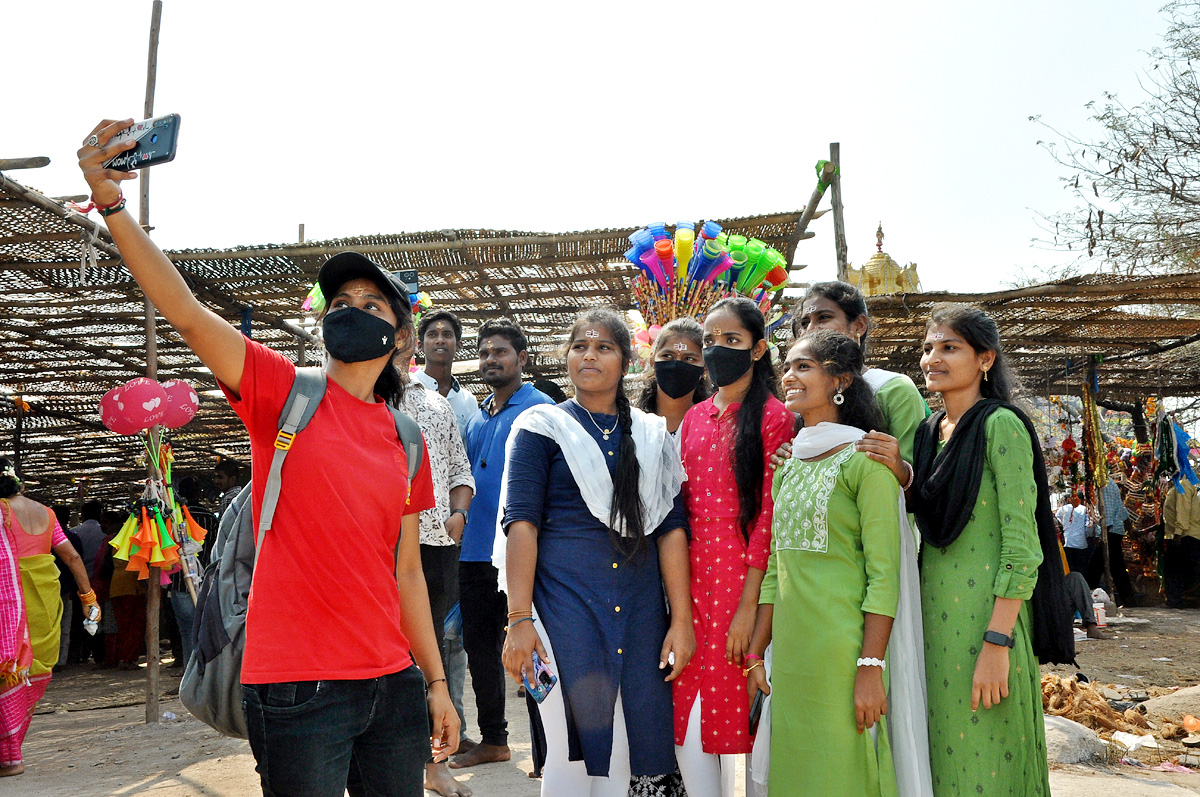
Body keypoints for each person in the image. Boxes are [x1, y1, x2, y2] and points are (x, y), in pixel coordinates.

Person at [77, 119, 457, 796]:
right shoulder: (283, 392)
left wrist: (434, 683)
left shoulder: (406, 438)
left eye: (373, 304)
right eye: (340, 302)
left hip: (392, 686)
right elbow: (189, 314)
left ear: (400, 332)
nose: (353, 310)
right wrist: (111, 202)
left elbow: (406, 574)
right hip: (296, 688)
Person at [501, 308, 694, 796]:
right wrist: (518, 618)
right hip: (564, 609)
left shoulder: (651, 435)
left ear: (626, 362)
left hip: (642, 610)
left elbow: (670, 529)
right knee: (570, 749)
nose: (589, 355)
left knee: (640, 738)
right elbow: (521, 523)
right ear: (565, 356)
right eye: (580, 347)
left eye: (604, 347)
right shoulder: (540, 426)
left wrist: (681, 620)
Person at [746, 330, 930, 796]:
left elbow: (884, 576)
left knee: (846, 774)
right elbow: (774, 569)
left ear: (840, 380)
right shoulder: (787, 464)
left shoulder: (866, 463)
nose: (788, 376)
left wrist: (871, 666)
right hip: (790, 656)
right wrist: (755, 654)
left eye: (803, 366)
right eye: (786, 366)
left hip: (843, 655)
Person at [909, 303, 1051, 795]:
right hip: (932, 625)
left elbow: (1022, 544)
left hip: (987, 624)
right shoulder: (928, 433)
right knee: (943, 760)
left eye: (950, 348)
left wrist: (998, 642)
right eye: (928, 348)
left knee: (989, 758)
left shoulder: (1000, 426)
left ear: (985, 360)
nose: (932, 358)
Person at [673, 297, 793, 797]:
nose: (717, 350)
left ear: (759, 349)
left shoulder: (775, 417)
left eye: (732, 341)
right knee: (689, 719)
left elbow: (767, 520)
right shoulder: (694, 417)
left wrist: (749, 609)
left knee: (745, 715)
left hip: (743, 580)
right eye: (710, 341)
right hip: (689, 578)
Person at [454, 318, 554, 769]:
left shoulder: (542, 409)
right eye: (485, 352)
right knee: (480, 650)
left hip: (522, 550)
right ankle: (495, 740)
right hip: (474, 551)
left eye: (500, 352)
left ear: (522, 359)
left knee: (532, 646)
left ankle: (548, 748)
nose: (490, 359)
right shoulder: (477, 415)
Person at [393, 326, 476, 797]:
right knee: (382, 657)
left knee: (430, 659)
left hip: (433, 548)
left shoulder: (434, 404)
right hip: (375, 549)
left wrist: (458, 514)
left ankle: (433, 767)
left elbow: (460, 470)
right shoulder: (350, 399)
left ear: (408, 340)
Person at [1, 459, 98, 777]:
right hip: (45, 601)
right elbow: (70, 556)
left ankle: (10, 755)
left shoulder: (2, 513)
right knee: (31, 673)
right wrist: (88, 598)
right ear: (20, 483)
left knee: (8, 670)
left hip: (10, 602)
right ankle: (12, 748)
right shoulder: (46, 513)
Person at [790, 280, 928, 478]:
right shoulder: (804, 393)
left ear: (859, 325)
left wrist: (899, 467)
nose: (810, 330)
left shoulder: (893, 389)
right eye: (804, 323)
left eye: (823, 317)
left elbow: (919, 482)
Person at [636, 317, 710, 436]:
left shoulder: (713, 427)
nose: (676, 364)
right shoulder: (633, 424)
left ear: (705, 367)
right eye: (667, 356)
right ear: (652, 360)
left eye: (689, 359)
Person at [415, 310, 479, 438]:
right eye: (432, 335)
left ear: (459, 345)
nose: (440, 340)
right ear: (420, 345)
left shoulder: (468, 401)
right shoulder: (408, 389)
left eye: (447, 335)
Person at [67, 501, 106, 665]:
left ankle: (76, 655)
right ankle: (100, 655)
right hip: (100, 581)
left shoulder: (75, 533)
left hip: (78, 582)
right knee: (99, 619)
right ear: (100, 514)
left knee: (76, 620)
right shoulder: (104, 534)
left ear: (82, 514)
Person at [1085, 477, 1135, 604]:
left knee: (1095, 568)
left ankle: (1086, 598)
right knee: (1116, 567)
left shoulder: (1104, 484)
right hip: (1112, 530)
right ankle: (1128, 599)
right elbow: (1121, 510)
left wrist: (1102, 535)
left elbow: (1107, 512)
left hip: (1109, 531)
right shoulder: (1108, 483)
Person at [1057, 493, 1092, 575]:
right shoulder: (1084, 509)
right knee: (1081, 570)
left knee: (1069, 570)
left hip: (1068, 542)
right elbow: (1089, 526)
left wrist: (1064, 526)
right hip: (1081, 544)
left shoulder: (1063, 509)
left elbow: (1056, 519)